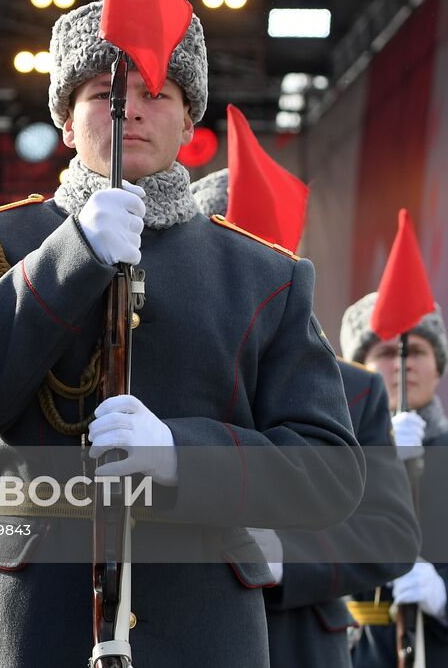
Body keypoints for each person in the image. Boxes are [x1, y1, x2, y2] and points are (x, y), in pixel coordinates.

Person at [0, 0, 362, 667]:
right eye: (103, 92)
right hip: (34, 622)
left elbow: (329, 471)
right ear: (66, 121)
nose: (128, 108)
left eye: (155, 91)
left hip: (204, 627)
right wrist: (74, 256)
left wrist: (180, 451)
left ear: (190, 118)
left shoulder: (265, 274)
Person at [190, 169, 419, 667]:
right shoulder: (164, 378)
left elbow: (391, 535)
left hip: (298, 644)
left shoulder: (355, 390)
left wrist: (282, 555)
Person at [342, 295, 448, 666]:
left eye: (416, 350)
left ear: (438, 367)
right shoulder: (336, 456)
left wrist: (443, 597)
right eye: (386, 353)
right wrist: (380, 457)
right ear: (360, 369)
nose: (403, 365)